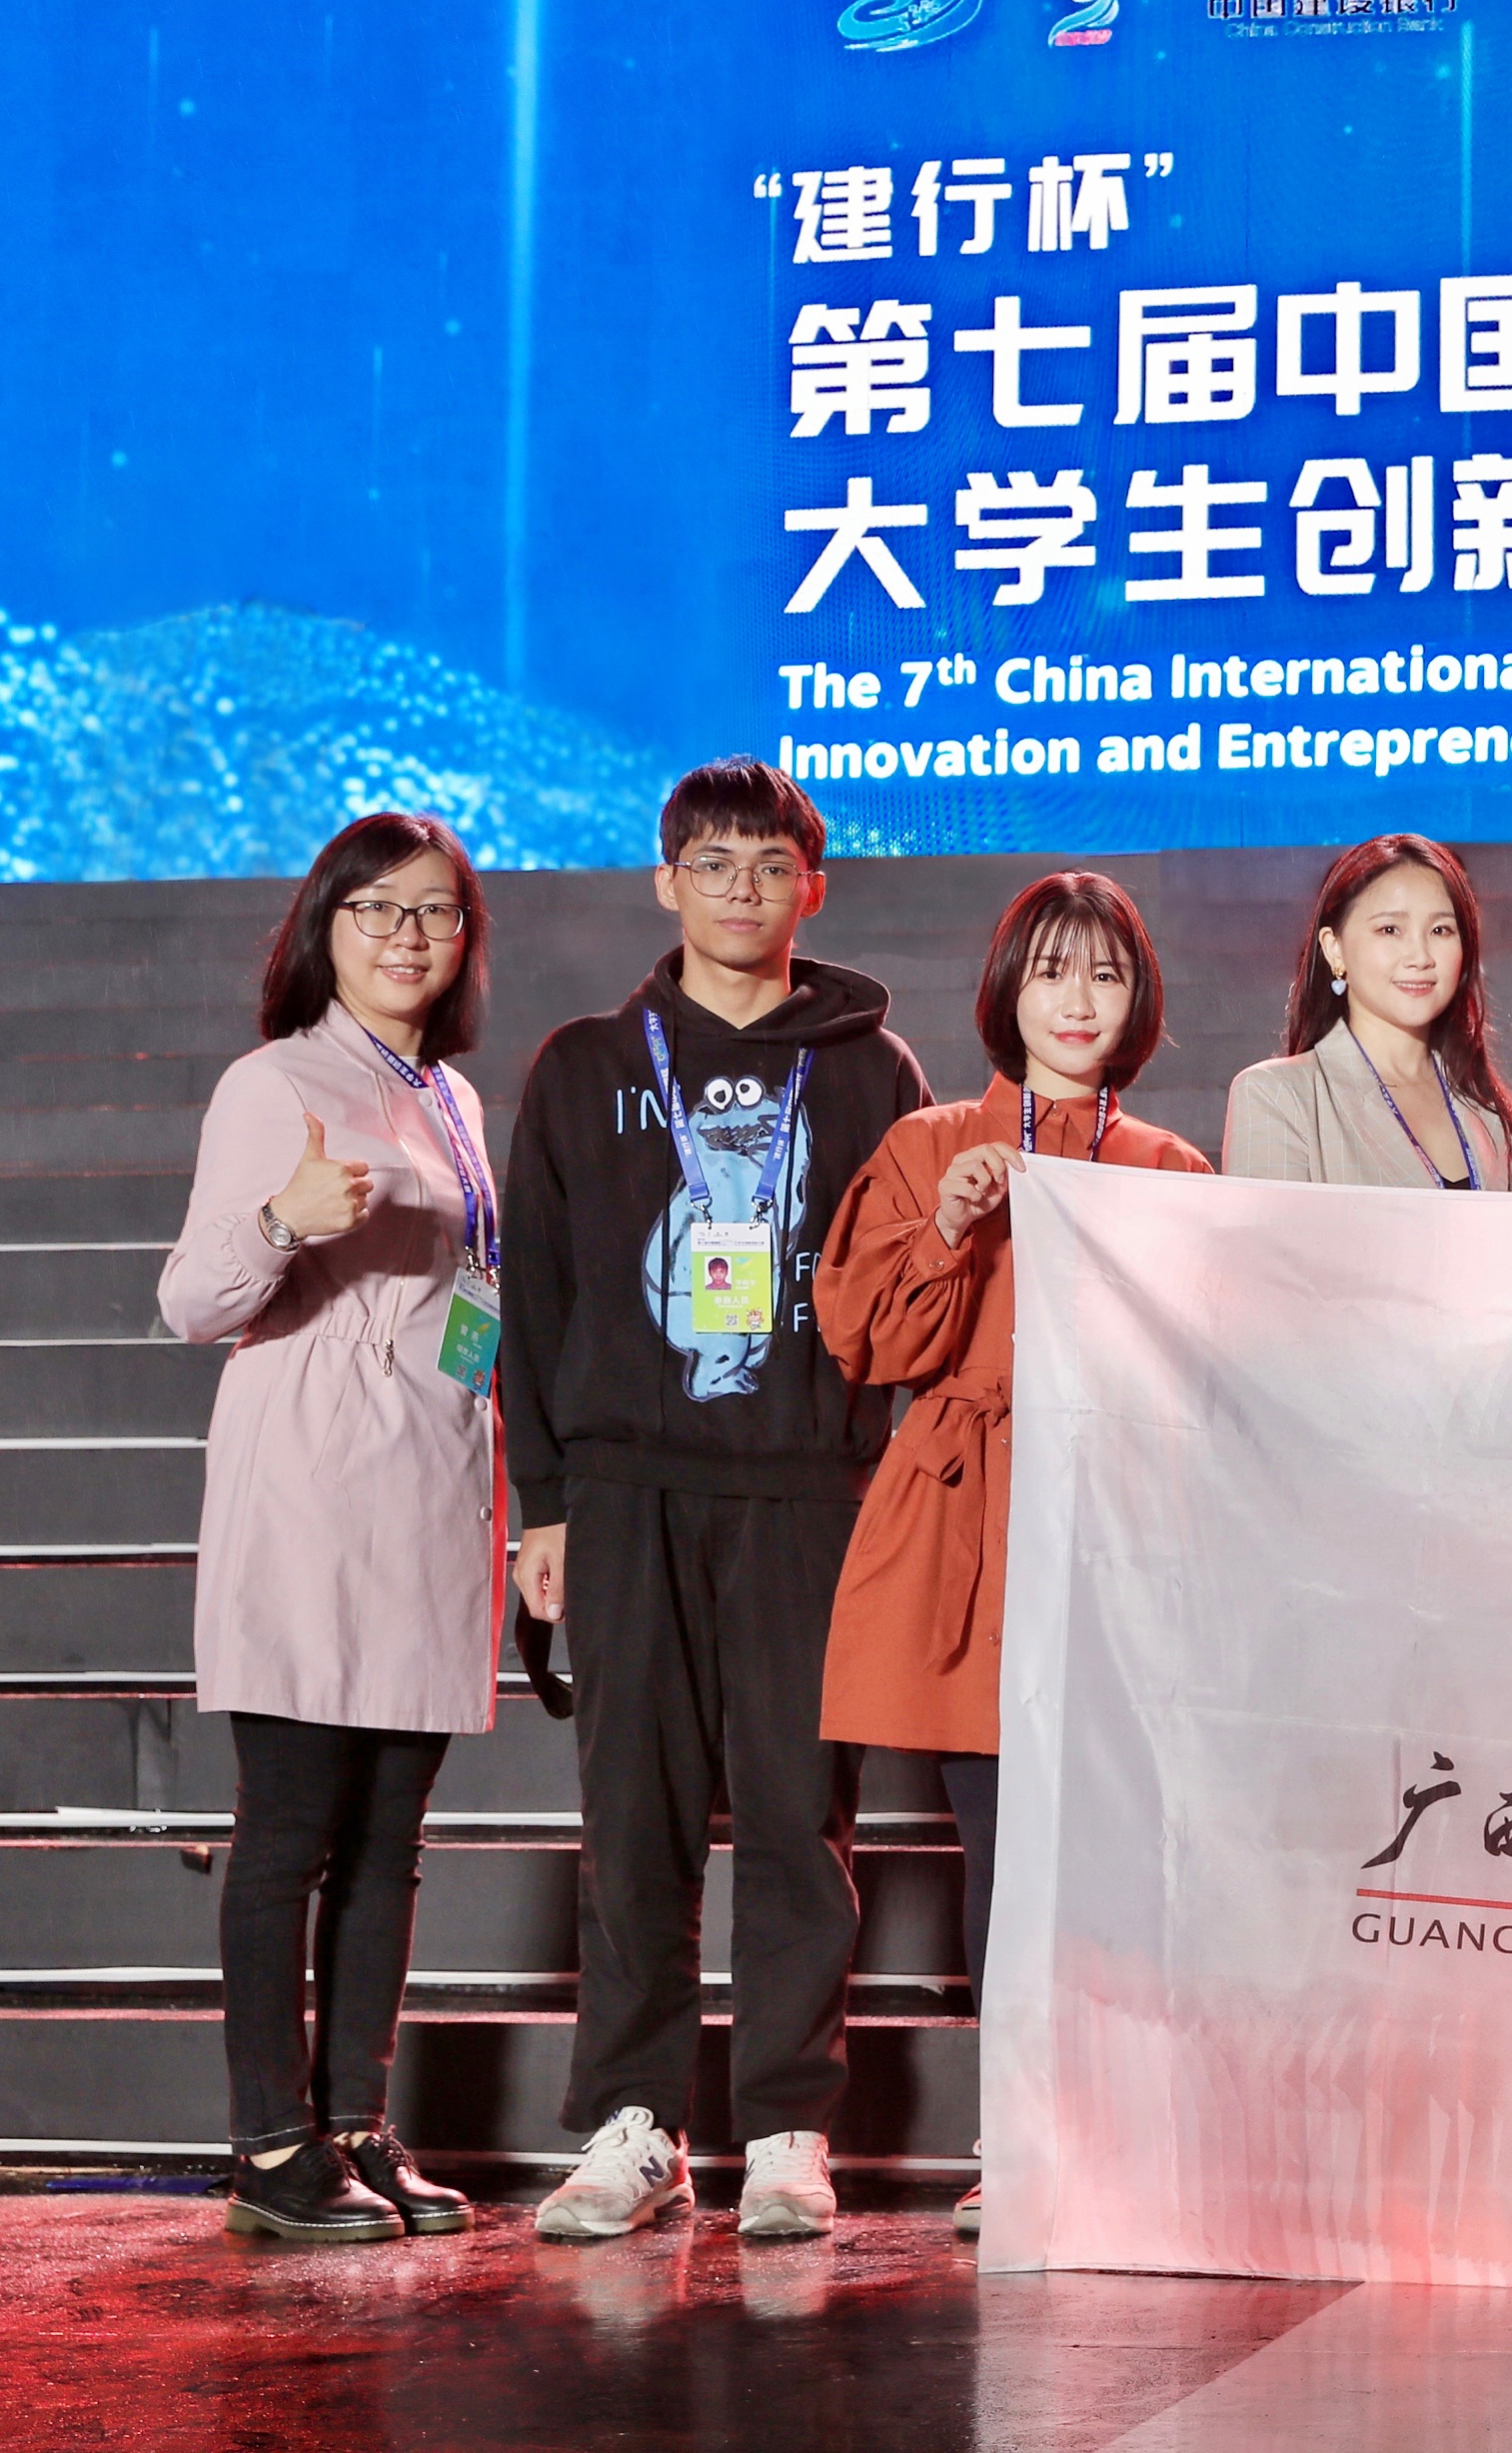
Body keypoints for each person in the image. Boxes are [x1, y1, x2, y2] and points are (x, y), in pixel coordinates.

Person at [501, 761, 931, 2244]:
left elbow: (900, 1289)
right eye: (714, 862)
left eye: (771, 864)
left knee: (803, 1820)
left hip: (809, 1488)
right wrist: (544, 1500)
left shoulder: (875, 1072)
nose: (743, 888)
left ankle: (789, 2126)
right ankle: (636, 2124)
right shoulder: (583, 1065)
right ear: (664, 880)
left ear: (813, 886)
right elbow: (536, 1292)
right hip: (628, 1486)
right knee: (634, 1819)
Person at [813, 872, 1212, 2236]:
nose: (1077, 999)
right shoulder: (930, 1144)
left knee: (1115, 1848)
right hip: (973, 1523)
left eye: (1104, 972)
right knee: (1002, 1845)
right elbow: (866, 1340)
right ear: (1007, 990)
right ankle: (1022, 2139)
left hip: (1118, 1524)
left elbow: (1206, 1371)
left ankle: (1124, 2139)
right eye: (1051, 970)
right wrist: (946, 1225)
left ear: (1137, 996)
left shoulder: (1168, 1170)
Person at [160, 812, 504, 2243]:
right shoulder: (275, 1081)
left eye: (434, 911)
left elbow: (471, 1309)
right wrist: (281, 1219)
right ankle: (268, 2142)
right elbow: (190, 1302)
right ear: (326, 926)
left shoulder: (453, 1096)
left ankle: (356, 2122)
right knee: (291, 1830)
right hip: (313, 1482)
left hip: (429, 1484)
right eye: (376, 909)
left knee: (387, 1841)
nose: (408, 935)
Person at [1221, 833, 1512, 1189]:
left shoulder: (1489, 1112)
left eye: (1440, 930)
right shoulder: (1278, 1095)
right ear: (1334, 949)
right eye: (1390, 929)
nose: (1420, 957)